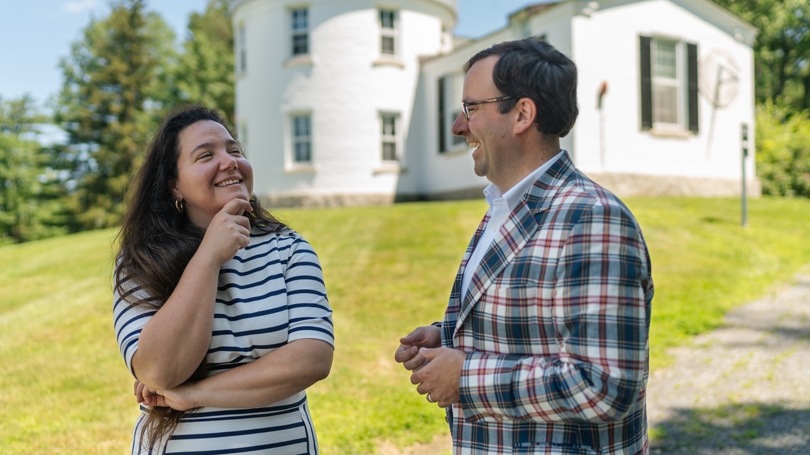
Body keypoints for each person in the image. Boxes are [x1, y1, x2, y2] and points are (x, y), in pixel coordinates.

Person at [395, 38, 654, 455]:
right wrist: (449, 338)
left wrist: (465, 375)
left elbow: (604, 384)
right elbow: (538, 326)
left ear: (521, 114)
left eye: (471, 109)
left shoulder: (592, 217)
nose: (458, 127)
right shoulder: (504, 205)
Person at [113, 105, 334, 454]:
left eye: (234, 150)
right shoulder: (141, 259)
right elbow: (158, 371)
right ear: (174, 185)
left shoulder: (289, 248)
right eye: (206, 155)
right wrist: (209, 256)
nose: (230, 161)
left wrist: (193, 394)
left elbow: (312, 359)